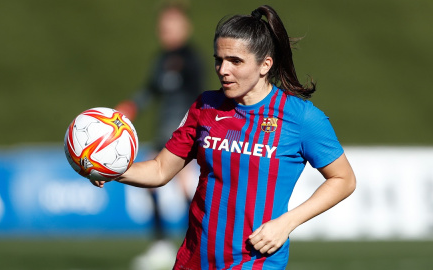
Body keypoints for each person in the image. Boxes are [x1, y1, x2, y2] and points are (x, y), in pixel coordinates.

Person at [95, 4, 356, 269]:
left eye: (235, 61)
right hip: (193, 260)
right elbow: (160, 170)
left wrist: (286, 223)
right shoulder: (205, 106)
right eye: (219, 59)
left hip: (254, 261)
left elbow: (343, 179)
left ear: (265, 64)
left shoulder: (301, 118)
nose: (223, 69)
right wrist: (109, 169)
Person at [114, 2, 205, 269]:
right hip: (164, 131)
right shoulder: (162, 59)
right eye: (163, 26)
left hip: (183, 132)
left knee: (185, 186)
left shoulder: (191, 58)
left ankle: (198, 241)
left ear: (184, 27)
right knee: (154, 185)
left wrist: (189, 133)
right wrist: (131, 106)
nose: (165, 30)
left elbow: (199, 98)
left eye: (171, 25)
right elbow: (150, 89)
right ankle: (161, 243)